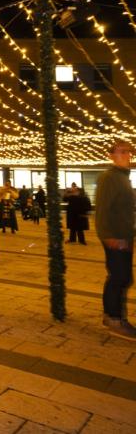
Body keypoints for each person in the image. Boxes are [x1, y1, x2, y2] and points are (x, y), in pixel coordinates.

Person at [95, 140, 136, 340]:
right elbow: (102, 210)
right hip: (116, 238)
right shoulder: (110, 177)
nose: (127, 155)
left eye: (128, 151)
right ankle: (113, 319)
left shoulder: (123, 177)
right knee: (119, 277)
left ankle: (114, 316)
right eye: (121, 151)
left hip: (125, 237)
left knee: (124, 277)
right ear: (111, 155)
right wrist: (108, 236)